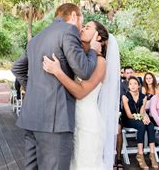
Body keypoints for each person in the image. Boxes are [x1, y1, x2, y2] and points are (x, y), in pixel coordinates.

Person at [11, 3, 101, 170]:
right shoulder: (69, 30)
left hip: (31, 117)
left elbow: (17, 68)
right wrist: (93, 51)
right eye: (82, 21)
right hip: (55, 120)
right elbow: (84, 71)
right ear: (74, 16)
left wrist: (32, 89)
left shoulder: (37, 37)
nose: (80, 27)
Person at [43, 20, 120, 169]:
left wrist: (57, 71)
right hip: (73, 120)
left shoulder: (100, 62)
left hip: (88, 124)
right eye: (83, 26)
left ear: (98, 37)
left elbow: (81, 92)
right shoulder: (81, 59)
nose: (82, 29)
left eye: (87, 27)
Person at [121, 76, 158, 169]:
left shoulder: (143, 97)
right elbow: (129, 115)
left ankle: (152, 154)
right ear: (128, 86)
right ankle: (140, 154)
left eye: (135, 84)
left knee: (150, 125)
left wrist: (144, 117)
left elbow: (141, 111)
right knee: (141, 125)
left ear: (139, 85)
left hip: (138, 117)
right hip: (128, 120)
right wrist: (142, 118)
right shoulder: (125, 96)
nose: (133, 86)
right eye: (130, 84)